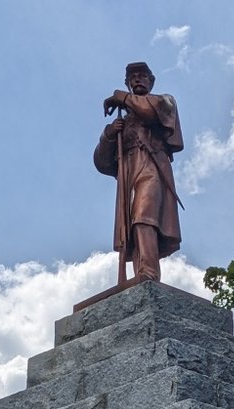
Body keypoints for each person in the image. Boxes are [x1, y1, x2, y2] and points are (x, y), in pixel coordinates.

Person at [94, 61, 183, 283]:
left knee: (144, 216)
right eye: (132, 78)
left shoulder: (164, 101)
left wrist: (120, 97)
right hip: (129, 172)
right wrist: (109, 134)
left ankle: (149, 272)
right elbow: (102, 162)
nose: (137, 80)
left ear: (151, 81)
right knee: (131, 226)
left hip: (151, 167)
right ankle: (139, 273)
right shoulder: (124, 122)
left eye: (142, 76)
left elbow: (150, 112)